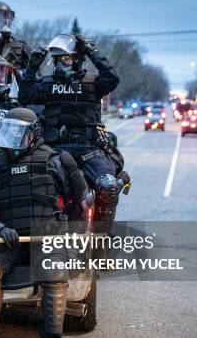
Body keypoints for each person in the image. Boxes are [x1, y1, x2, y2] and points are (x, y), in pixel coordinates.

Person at [0, 108, 89, 338]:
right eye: (8, 133)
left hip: (46, 238)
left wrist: (70, 237)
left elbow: (81, 203)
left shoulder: (58, 160)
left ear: (34, 134)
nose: (11, 140)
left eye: (17, 134)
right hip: (10, 240)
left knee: (54, 272)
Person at [19, 33, 127, 242]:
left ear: (78, 59)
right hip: (54, 150)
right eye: (58, 60)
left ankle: (99, 242)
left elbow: (112, 78)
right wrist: (32, 67)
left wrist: (92, 51)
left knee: (109, 186)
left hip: (88, 149)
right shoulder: (47, 83)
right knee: (31, 182)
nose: (61, 64)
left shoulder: (94, 83)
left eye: (66, 59)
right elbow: (25, 96)